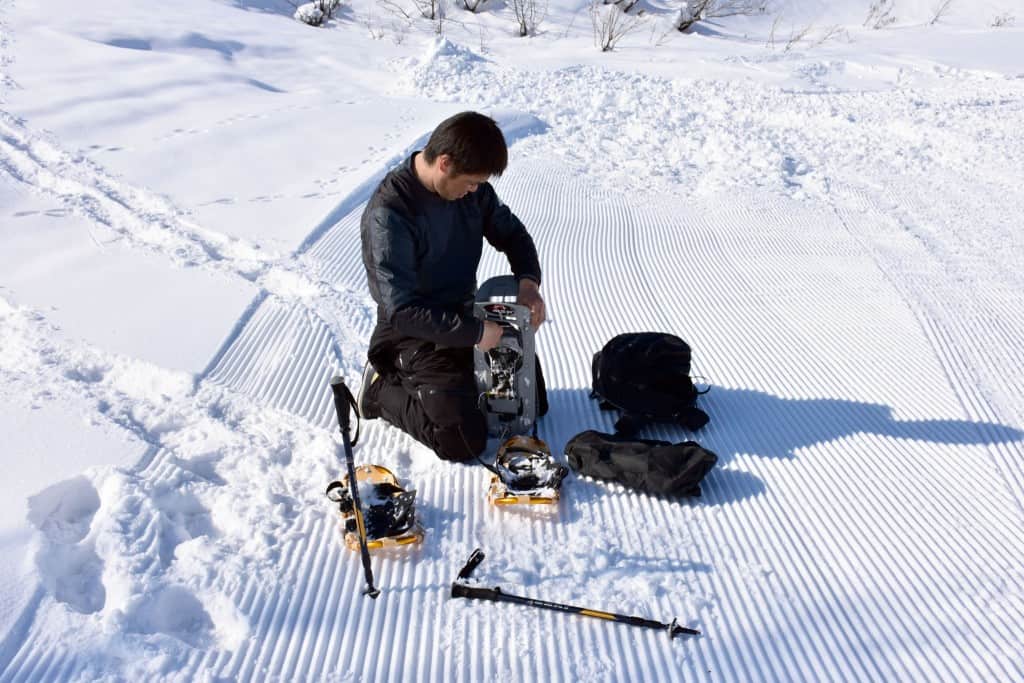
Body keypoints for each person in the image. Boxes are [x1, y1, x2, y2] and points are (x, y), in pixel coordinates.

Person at [357, 111, 546, 462]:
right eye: (471, 182)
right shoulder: (391, 213)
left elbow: (514, 235)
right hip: (410, 334)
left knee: (533, 400)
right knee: (462, 438)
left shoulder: (475, 194)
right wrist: (476, 333)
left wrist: (529, 283)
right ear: (445, 163)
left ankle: (459, 378)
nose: (475, 191)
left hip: (460, 316)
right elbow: (401, 310)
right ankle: (380, 390)